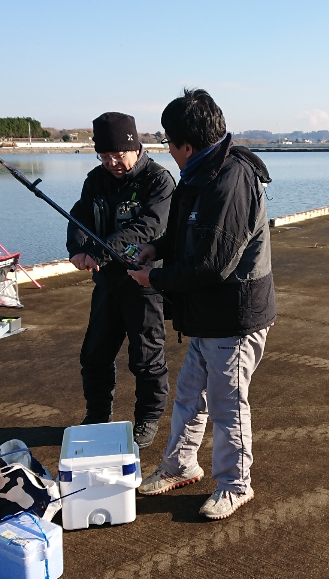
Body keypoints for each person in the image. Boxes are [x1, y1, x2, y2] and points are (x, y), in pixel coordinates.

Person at [127, 89, 275, 520]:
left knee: (228, 406)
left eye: (169, 144)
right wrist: (156, 248)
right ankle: (180, 465)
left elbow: (213, 263)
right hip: (208, 316)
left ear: (186, 146)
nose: (169, 152)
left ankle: (235, 484)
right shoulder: (200, 172)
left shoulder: (231, 180)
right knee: (191, 395)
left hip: (235, 317)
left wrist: (154, 278)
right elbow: (186, 233)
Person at [66, 112, 175, 449]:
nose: (112, 163)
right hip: (107, 284)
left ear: (135, 147)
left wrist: (98, 252)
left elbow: (149, 226)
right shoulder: (96, 180)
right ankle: (97, 415)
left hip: (145, 282)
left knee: (146, 359)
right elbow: (80, 215)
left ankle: (148, 419)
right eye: (104, 156)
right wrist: (77, 248)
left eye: (118, 155)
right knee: (94, 355)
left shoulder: (158, 180)